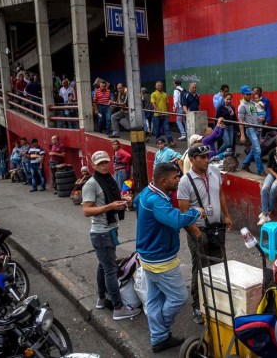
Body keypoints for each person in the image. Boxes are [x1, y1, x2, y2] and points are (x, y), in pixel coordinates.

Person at [135, 163, 206, 351]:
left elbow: (135, 202)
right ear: (163, 181)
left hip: (149, 256)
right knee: (178, 297)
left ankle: (159, 338)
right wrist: (195, 211)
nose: (178, 180)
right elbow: (176, 220)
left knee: (154, 299)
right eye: (175, 178)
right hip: (160, 260)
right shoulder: (156, 201)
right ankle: (161, 328)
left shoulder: (147, 193)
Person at [83, 151, 142, 321]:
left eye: (105, 162)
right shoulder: (91, 184)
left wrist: (123, 201)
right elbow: (87, 210)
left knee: (103, 266)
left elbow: (113, 201)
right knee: (110, 269)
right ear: (93, 165)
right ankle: (118, 308)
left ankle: (102, 299)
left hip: (109, 230)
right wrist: (110, 206)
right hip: (101, 233)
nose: (103, 165)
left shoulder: (109, 180)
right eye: (100, 163)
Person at [177, 145, 233, 325]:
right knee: (200, 266)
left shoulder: (214, 172)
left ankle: (216, 300)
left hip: (216, 227)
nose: (207, 160)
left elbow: (221, 194)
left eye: (207, 156)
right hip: (199, 229)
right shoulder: (185, 182)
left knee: (217, 265)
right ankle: (197, 304)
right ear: (192, 160)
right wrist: (197, 234)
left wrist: (226, 215)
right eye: (202, 157)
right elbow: (184, 212)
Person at [238, 85, 265, 176]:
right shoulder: (241, 106)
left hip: (257, 128)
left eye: (250, 94)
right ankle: (260, 171)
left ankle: (245, 164)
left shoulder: (252, 104)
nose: (250, 96)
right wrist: (242, 134)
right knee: (257, 150)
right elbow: (240, 121)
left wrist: (259, 119)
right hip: (250, 129)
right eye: (247, 94)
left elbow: (253, 115)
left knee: (254, 150)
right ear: (242, 95)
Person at [151, 81, 175, 145]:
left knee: (167, 128)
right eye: (158, 85)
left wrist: (168, 112)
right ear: (155, 86)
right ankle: (158, 141)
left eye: (161, 85)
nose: (160, 86)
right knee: (157, 129)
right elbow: (153, 103)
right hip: (157, 115)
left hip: (165, 114)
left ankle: (170, 141)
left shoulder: (165, 94)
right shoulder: (153, 94)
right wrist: (157, 110)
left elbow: (167, 104)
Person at [214, 92, 237, 159]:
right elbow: (216, 117)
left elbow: (234, 118)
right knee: (227, 143)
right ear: (224, 98)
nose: (228, 101)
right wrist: (217, 128)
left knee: (231, 145)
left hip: (231, 127)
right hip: (223, 127)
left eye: (230, 99)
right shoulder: (220, 106)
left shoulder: (232, 106)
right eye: (227, 99)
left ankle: (225, 158)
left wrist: (237, 128)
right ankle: (216, 155)